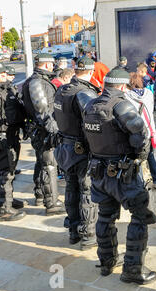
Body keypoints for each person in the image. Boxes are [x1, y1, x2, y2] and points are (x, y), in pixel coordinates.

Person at [82, 68, 156, 283]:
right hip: (124, 173)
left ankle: (106, 262)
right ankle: (133, 269)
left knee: (105, 216)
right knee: (140, 216)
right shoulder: (121, 104)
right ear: (123, 86)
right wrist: (139, 156)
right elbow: (140, 133)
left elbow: (85, 134)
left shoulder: (90, 104)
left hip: (98, 171)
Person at [53, 57, 100, 250]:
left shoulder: (62, 89)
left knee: (71, 189)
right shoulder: (85, 93)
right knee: (87, 192)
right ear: (90, 72)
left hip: (65, 146)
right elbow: (93, 123)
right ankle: (88, 234)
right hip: (81, 150)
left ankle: (73, 231)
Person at [22, 53, 66, 215]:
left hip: (41, 129)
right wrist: (54, 129)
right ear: (47, 64)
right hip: (43, 130)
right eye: (52, 63)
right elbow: (42, 110)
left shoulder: (39, 81)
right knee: (49, 166)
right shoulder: (37, 82)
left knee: (42, 162)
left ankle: (40, 194)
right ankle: (52, 203)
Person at [0, 62, 27, 221]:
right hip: (0, 136)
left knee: (11, 170)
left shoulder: (8, 88)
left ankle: (8, 200)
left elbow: (18, 109)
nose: (4, 75)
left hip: (12, 134)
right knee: (4, 172)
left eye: (4, 73)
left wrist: (24, 125)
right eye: (0, 74)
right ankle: (3, 209)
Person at [125, 72, 156, 189]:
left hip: (136, 131)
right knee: (150, 156)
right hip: (149, 129)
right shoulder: (149, 93)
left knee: (136, 157)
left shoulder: (127, 96)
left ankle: (139, 182)